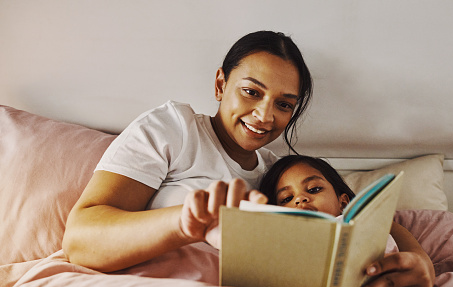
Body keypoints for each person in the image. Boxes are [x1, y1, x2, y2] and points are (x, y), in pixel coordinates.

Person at [62, 30, 313, 272]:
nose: (264, 116)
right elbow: (79, 241)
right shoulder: (175, 128)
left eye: (283, 104)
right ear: (220, 85)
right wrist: (186, 222)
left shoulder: (280, 176)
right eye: (251, 92)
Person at [258, 155, 435, 287]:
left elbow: (415, 261)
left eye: (314, 189)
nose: (300, 199)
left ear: (343, 202)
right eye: (286, 198)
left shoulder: (365, 222)